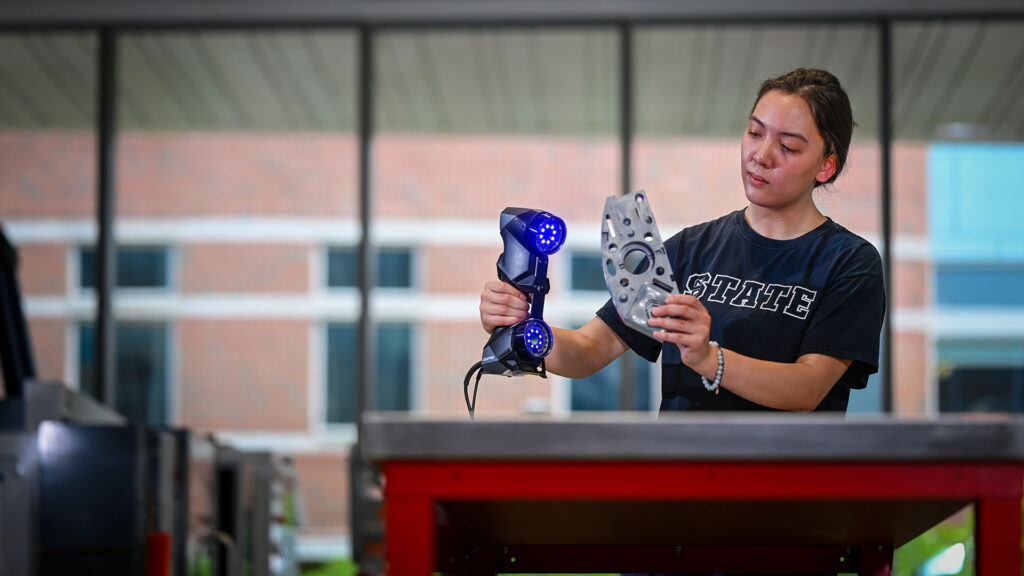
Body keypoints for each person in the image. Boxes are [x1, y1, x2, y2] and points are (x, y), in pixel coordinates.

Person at [479, 68, 885, 414]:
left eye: (788, 146)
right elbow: (589, 350)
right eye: (754, 133)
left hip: (786, 493)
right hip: (682, 485)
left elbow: (808, 388)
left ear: (826, 166)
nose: (761, 155)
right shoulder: (689, 249)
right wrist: (523, 329)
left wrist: (709, 358)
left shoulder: (849, 262)